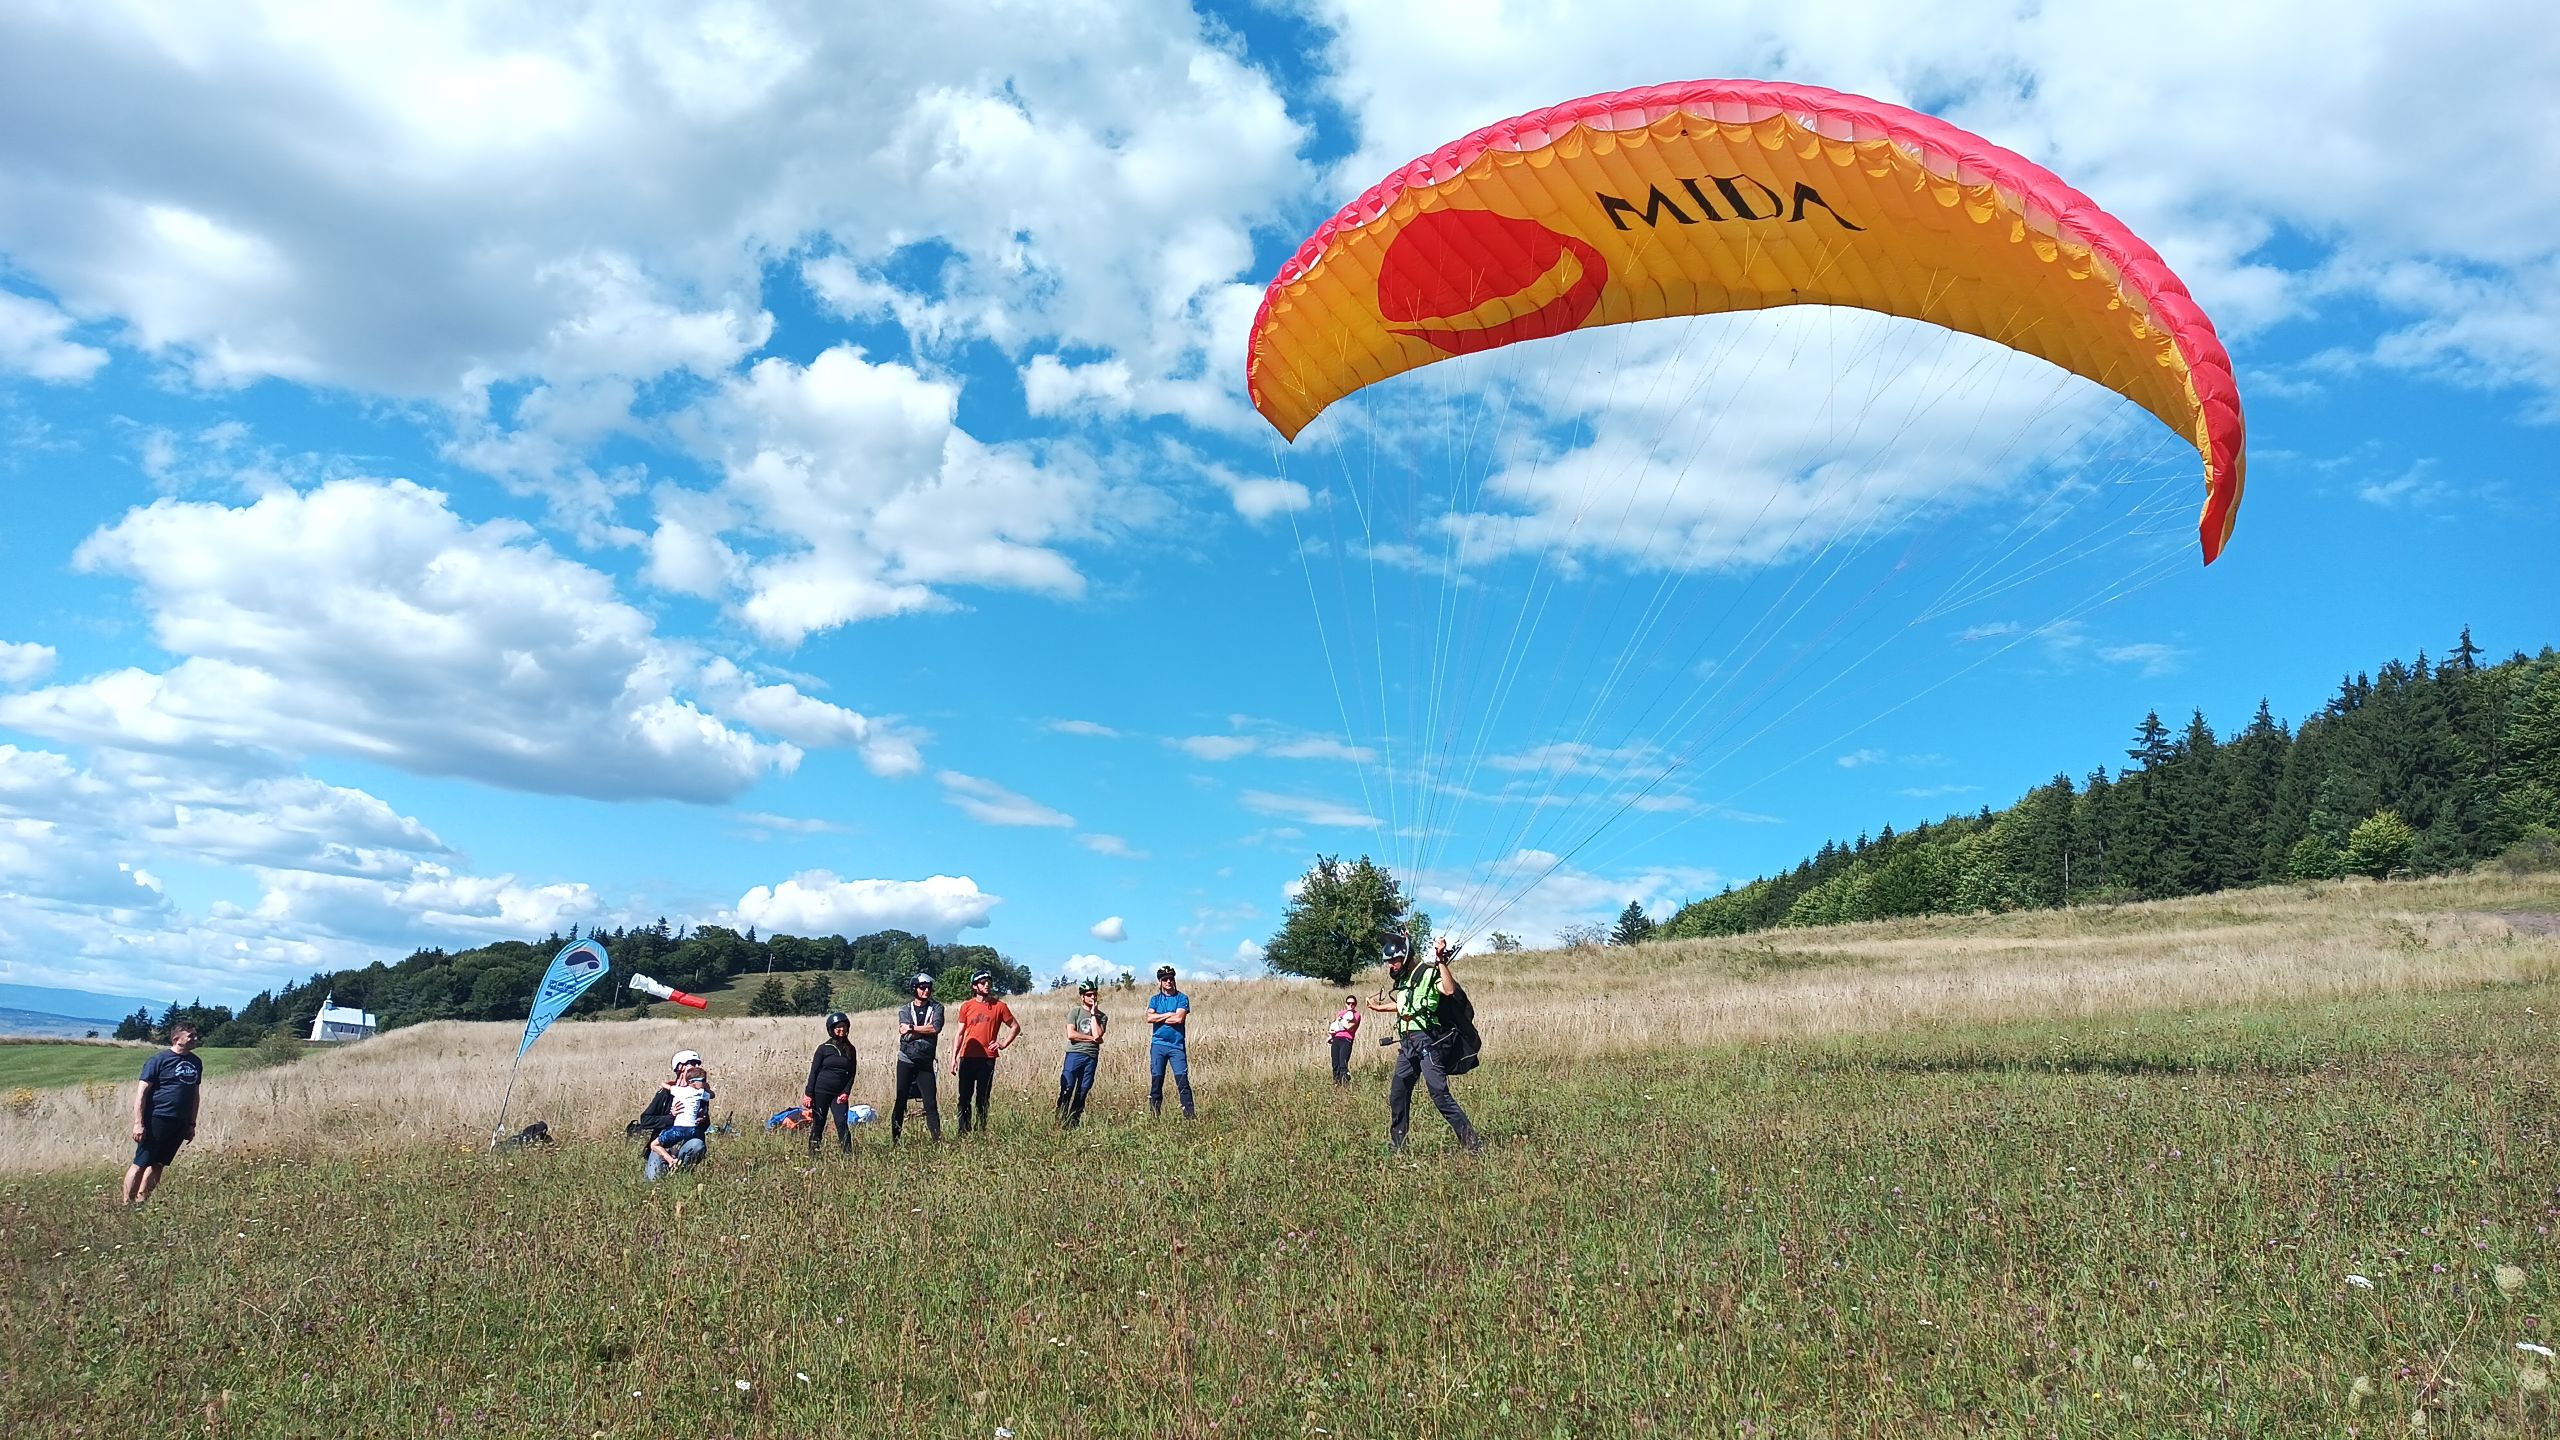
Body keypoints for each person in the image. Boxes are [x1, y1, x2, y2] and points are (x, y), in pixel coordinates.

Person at [1367, 936, 1481, 1153]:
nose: (1391, 965)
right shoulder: (1405, 981)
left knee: (1439, 1094)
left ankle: (1472, 1143)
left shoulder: (1428, 973)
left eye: (1395, 960)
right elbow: (1405, 1006)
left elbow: (1448, 990)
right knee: (1398, 1093)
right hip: (1407, 1043)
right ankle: (1398, 1145)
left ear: (1406, 957)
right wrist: (1378, 1007)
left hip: (1426, 1041)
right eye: (1389, 962)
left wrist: (1441, 961)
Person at [123, 1021, 203, 1206]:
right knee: (141, 1162)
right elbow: (141, 1093)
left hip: (180, 1121)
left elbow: (195, 1095)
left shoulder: (196, 1062)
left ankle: (142, 1202)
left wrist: (191, 1124)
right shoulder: (158, 1060)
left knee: (159, 1164)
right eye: (191, 1036)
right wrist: (138, 1123)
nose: (195, 1039)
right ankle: (126, 1204)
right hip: (157, 1118)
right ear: (177, 1039)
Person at [950, 971, 1021, 1137]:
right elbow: (960, 1033)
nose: (987, 985)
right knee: (964, 1097)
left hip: (987, 1058)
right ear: (975, 986)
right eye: (982, 982)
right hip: (967, 1056)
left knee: (983, 1097)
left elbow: (1015, 1027)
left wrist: (1002, 1044)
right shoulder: (966, 1006)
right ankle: (964, 1131)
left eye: (989, 981)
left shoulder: (1000, 1006)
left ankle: (981, 1130)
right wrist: (953, 1058)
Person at [641, 1051, 715, 1180]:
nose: (696, 1066)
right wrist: (671, 1117)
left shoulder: (699, 1092)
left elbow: (706, 1124)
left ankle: (681, 1174)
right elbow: (645, 1120)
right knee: (653, 1181)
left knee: (698, 1145)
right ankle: (669, 1162)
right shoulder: (666, 1092)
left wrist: (702, 1120)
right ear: (680, 1067)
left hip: (688, 1139)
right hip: (665, 1142)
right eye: (692, 1063)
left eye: (698, 1063)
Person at [891, 972, 945, 1142]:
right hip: (906, 1060)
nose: (926, 991)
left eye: (928, 988)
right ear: (914, 989)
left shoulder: (937, 1008)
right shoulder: (905, 1009)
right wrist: (923, 1030)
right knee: (901, 1101)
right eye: (922, 988)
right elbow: (904, 1033)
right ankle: (895, 1140)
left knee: (930, 1103)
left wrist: (913, 1029)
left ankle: (937, 1140)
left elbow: (935, 1028)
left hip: (926, 1063)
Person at [801, 1012, 859, 1158]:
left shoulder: (850, 1050)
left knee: (841, 1123)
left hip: (839, 1094)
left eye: (844, 1026)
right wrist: (808, 1094)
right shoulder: (823, 1048)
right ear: (831, 1029)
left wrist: (846, 1092)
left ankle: (847, 1155)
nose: (841, 1029)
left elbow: (852, 1073)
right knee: (819, 1122)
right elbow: (813, 1072)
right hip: (821, 1091)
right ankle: (814, 1154)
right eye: (838, 1027)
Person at [1145, 964, 1194, 1118]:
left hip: (1176, 1046)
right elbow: (1148, 1017)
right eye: (1165, 979)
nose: (1168, 982)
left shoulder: (1182, 998)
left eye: (1171, 979)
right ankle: (1154, 1115)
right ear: (1160, 982)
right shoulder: (1155, 999)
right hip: (1158, 1045)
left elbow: (1179, 1018)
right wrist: (1168, 1014)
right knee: (1157, 1081)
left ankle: (1190, 1116)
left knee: (1182, 1081)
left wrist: (1159, 1017)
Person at [1057, 980, 1108, 1127]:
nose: (1092, 997)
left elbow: (1098, 1034)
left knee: (1083, 1089)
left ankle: (1074, 1122)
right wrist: (1091, 1038)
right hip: (1075, 1054)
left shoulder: (1102, 1017)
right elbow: (1071, 1034)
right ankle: (1060, 1119)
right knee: (1067, 1087)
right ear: (1082, 997)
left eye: (1094, 994)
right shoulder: (1075, 1012)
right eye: (1089, 995)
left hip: (1091, 1056)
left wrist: (1093, 1015)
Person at [1328, 993, 1362, 1086]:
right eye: (1348, 1003)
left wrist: (1341, 1021)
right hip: (1336, 1039)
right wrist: (1331, 1035)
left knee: (1343, 1064)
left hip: (1346, 1040)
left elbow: (1350, 1027)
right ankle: (1336, 1084)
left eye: (1353, 1003)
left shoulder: (1356, 1015)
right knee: (1335, 1064)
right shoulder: (1341, 1013)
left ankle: (1345, 1085)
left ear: (1355, 1004)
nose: (1350, 1005)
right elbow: (1335, 1026)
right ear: (1345, 1004)